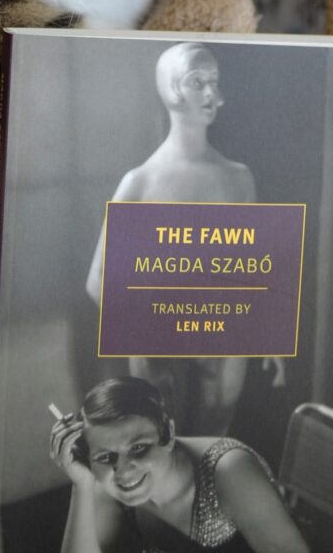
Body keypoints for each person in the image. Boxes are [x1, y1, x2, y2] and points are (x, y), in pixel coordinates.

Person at [85, 43, 280, 436]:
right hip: (157, 345)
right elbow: (98, 282)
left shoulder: (238, 178)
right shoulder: (140, 182)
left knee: (214, 439)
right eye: (197, 82)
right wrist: (158, 324)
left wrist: (269, 331)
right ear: (172, 89)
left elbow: (254, 270)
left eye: (214, 82)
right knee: (160, 439)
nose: (212, 94)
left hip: (222, 337)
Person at [49, 377, 308, 553]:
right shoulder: (106, 476)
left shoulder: (230, 470)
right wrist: (81, 485)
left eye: (139, 448)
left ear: (169, 434)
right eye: (105, 457)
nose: (124, 469)